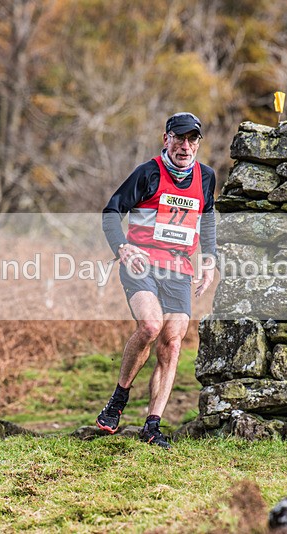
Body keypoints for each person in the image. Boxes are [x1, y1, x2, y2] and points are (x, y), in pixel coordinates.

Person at [98, 112, 217, 449]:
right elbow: (111, 211)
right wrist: (122, 247)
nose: (185, 145)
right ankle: (119, 399)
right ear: (166, 139)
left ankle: (152, 425)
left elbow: (207, 219)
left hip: (179, 268)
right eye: (178, 138)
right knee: (151, 326)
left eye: (192, 139)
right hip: (142, 263)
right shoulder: (148, 173)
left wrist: (209, 260)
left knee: (173, 340)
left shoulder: (206, 177)